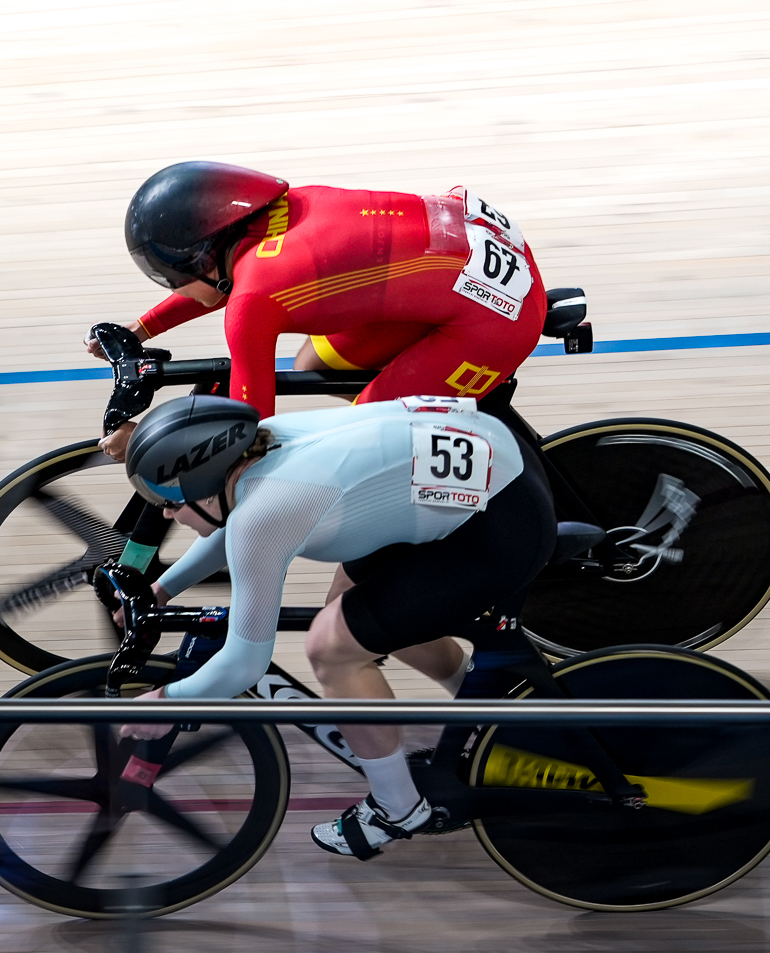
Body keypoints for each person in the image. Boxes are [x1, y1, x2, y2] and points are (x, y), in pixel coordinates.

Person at [114, 391, 556, 859]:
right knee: (355, 613)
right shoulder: (263, 442)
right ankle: (485, 708)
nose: (165, 513)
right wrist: (162, 590)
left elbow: (244, 663)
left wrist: (166, 702)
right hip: (491, 469)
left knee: (333, 649)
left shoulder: (267, 511)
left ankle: (398, 809)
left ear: (206, 480)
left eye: (167, 499)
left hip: (498, 527)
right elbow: (228, 521)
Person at [91, 161, 548, 460]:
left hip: (495, 320)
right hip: (469, 259)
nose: (173, 286)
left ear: (203, 257)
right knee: (313, 363)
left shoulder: (251, 303)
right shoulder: (282, 210)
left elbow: (252, 434)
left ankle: (455, 494)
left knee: (364, 441)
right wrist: (140, 329)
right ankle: (426, 414)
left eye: (172, 275)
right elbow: (231, 282)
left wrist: (149, 443)